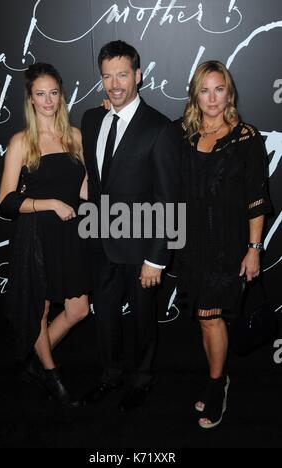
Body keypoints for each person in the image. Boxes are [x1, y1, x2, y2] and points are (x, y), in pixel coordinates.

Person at [80, 40, 182, 411]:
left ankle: (141, 379)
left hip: (141, 249)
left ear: (138, 76)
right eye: (107, 76)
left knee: (142, 320)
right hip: (100, 243)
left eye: (122, 75)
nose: (115, 84)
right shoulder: (92, 119)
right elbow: (96, 180)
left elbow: (170, 199)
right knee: (105, 317)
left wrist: (157, 258)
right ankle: (110, 375)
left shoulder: (159, 128)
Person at [177, 60, 271, 428]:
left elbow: (256, 198)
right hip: (192, 247)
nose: (212, 98)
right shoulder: (183, 134)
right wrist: (112, 106)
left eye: (219, 89)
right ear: (195, 95)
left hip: (228, 247)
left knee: (212, 318)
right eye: (205, 90)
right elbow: (145, 131)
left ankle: (217, 386)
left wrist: (254, 248)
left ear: (228, 92)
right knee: (204, 320)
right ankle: (219, 376)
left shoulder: (246, 136)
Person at [0, 63, 90, 406]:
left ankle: (36, 363)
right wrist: (50, 202)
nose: (48, 100)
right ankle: (52, 377)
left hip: (70, 236)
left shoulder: (76, 136)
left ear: (60, 95)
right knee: (40, 306)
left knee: (78, 309)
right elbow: (6, 202)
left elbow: (83, 191)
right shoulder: (22, 142)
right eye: (41, 94)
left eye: (54, 92)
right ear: (31, 99)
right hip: (36, 235)